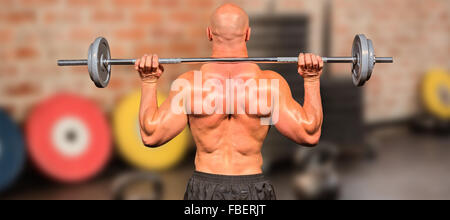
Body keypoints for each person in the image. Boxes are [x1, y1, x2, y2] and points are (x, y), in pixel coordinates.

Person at [134, 3, 323, 200]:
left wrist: (149, 81)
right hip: (252, 189)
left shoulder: (189, 86)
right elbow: (309, 134)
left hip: (204, 191)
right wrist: (311, 79)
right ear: (248, 34)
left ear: (209, 33)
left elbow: (151, 136)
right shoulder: (269, 85)